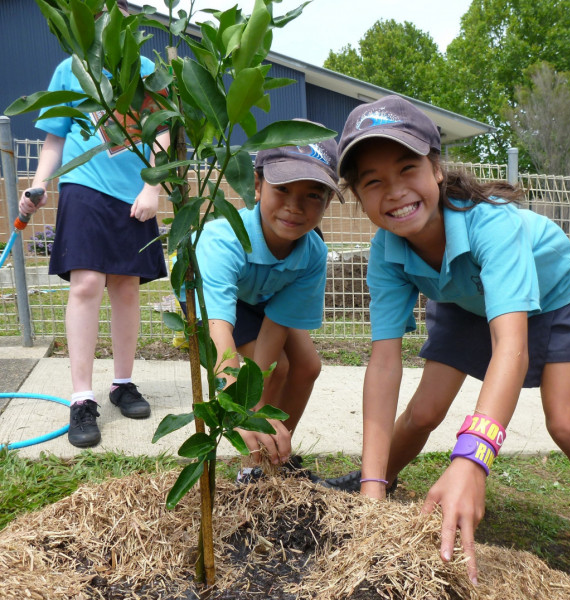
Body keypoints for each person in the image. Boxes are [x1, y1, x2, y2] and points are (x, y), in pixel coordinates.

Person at [324, 95, 570, 600]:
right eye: (373, 181)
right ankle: (376, 485)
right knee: (422, 412)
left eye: (407, 168)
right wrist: (371, 496)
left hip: (550, 297)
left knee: (565, 423)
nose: (394, 192)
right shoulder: (387, 249)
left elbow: (511, 347)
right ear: (356, 194)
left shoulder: (493, 223)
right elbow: (383, 362)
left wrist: (472, 458)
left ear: (436, 169)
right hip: (464, 299)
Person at [19, 0, 169, 448]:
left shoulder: (145, 69)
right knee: (86, 285)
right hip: (84, 186)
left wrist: (153, 188)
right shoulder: (71, 69)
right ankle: (82, 399)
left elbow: (163, 130)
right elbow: (55, 137)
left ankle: (122, 384)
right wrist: (39, 184)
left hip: (134, 195)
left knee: (125, 287)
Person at [190, 129, 344, 474]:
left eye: (313, 195)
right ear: (257, 185)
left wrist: (259, 399)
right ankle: (252, 465)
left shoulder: (312, 252)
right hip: (220, 304)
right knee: (272, 375)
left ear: (327, 203)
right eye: (283, 189)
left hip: (263, 297)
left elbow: (278, 323)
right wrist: (244, 410)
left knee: (306, 367)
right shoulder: (224, 240)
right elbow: (219, 331)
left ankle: (277, 454)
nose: (294, 206)